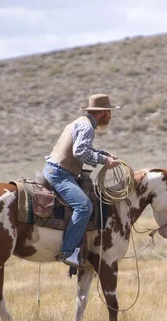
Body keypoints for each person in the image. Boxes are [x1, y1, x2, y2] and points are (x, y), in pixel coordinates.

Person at [43, 93, 121, 268]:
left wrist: (103, 154)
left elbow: (85, 148)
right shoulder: (87, 127)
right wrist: (104, 161)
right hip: (60, 174)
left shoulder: (79, 122)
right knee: (84, 206)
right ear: (101, 113)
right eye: (109, 112)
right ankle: (69, 252)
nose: (110, 115)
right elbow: (80, 152)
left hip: (56, 170)